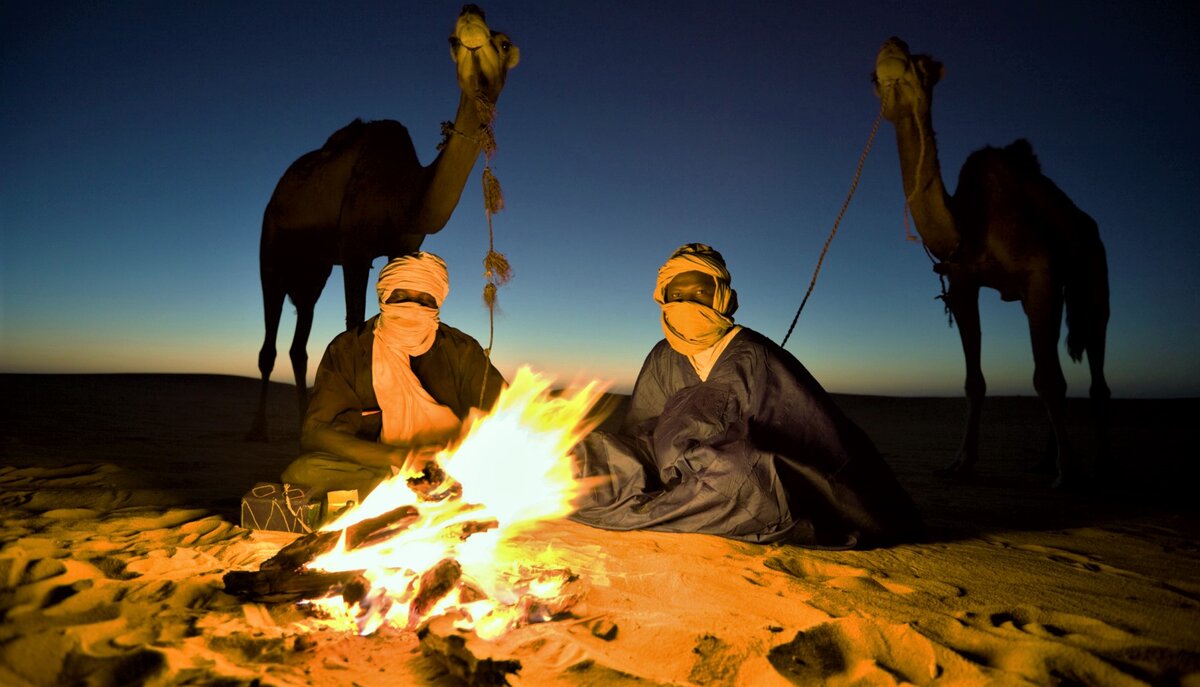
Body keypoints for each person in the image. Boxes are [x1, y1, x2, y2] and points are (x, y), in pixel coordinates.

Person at [569, 244, 922, 548]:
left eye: (699, 294)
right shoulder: (663, 356)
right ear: (663, 297)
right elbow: (641, 435)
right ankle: (668, 507)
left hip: (732, 478)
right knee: (585, 456)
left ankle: (653, 512)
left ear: (722, 298)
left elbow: (795, 441)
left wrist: (704, 456)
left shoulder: (756, 355)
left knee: (738, 479)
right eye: (677, 296)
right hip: (671, 476)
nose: (687, 304)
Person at [281, 252, 506, 500]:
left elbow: (505, 414)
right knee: (304, 472)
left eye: (424, 300)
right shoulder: (349, 350)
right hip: (380, 468)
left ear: (438, 303)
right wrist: (401, 457)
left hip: (456, 468)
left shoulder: (461, 350)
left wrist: (456, 454)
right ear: (384, 297)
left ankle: (431, 497)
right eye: (401, 297)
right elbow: (316, 434)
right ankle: (417, 498)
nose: (412, 307)